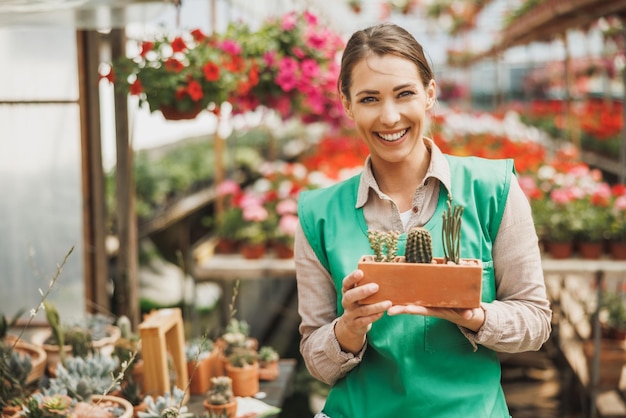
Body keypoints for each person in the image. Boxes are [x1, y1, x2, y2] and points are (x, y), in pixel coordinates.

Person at [294, 22, 552, 418]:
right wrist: (349, 328)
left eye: (404, 94)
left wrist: (478, 316)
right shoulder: (319, 214)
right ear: (346, 104)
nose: (390, 116)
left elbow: (535, 321)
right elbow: (317, 358)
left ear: (430, 93)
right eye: (369, 99)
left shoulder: (493, 189)